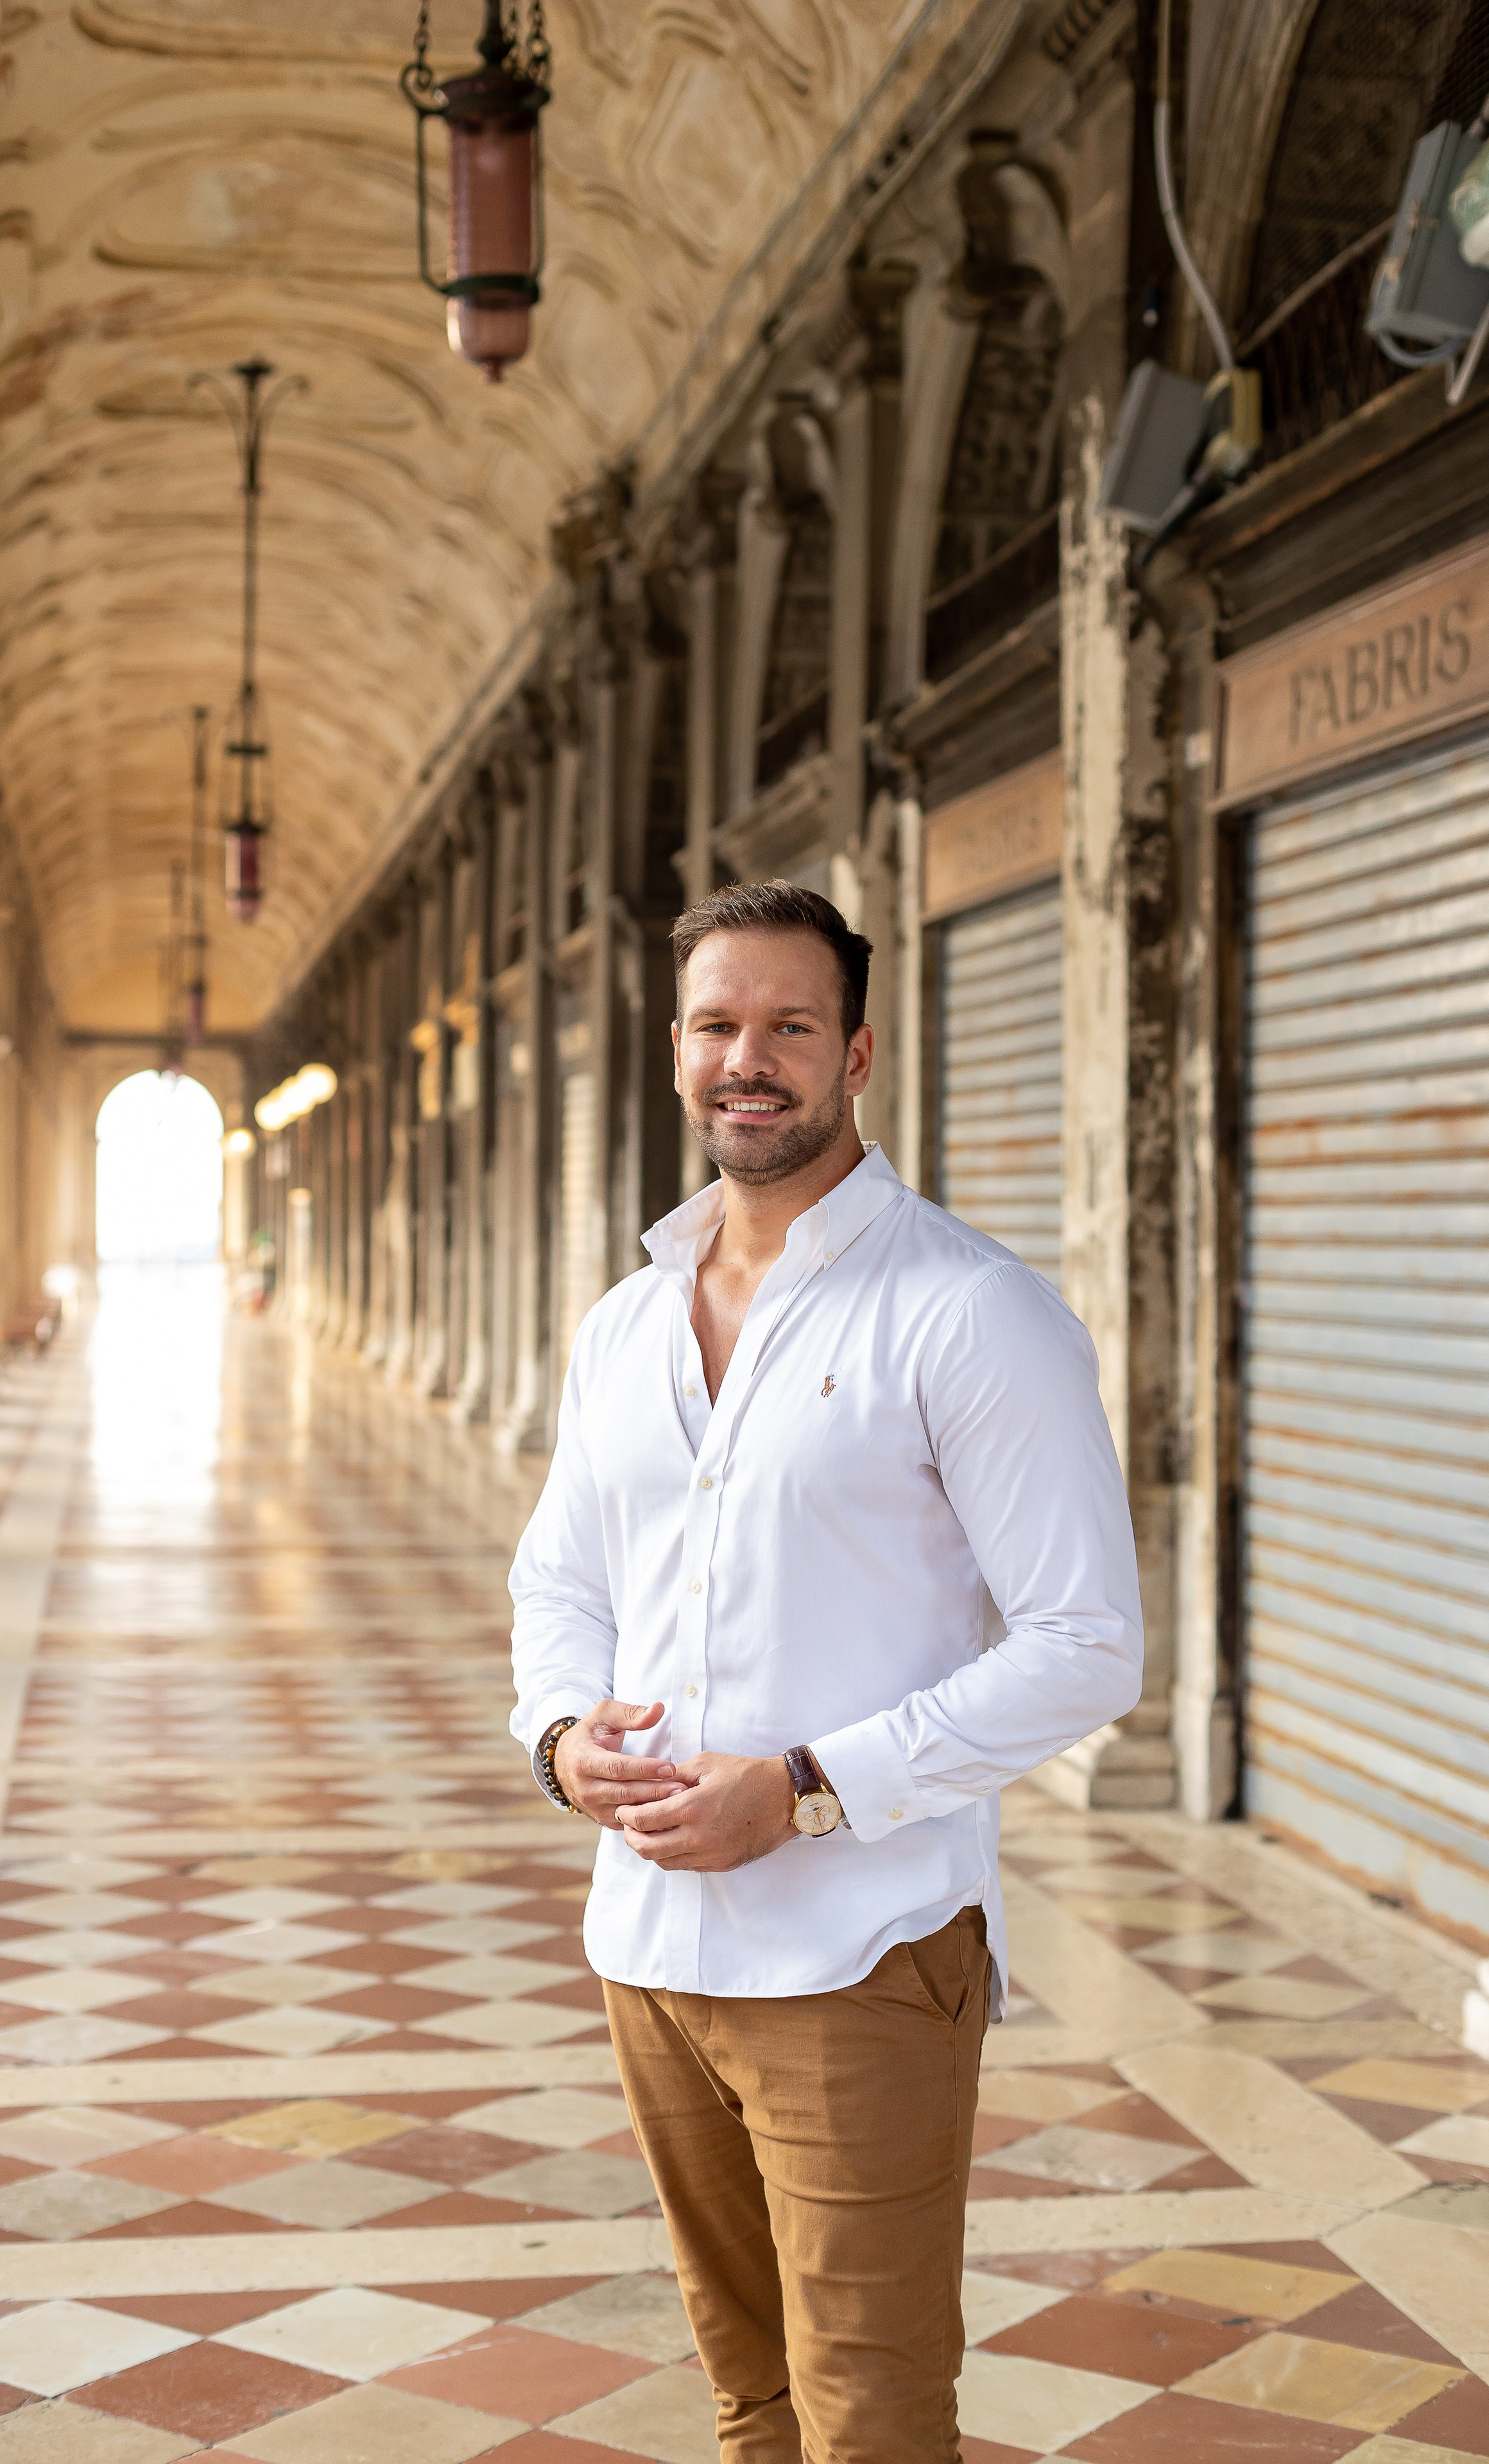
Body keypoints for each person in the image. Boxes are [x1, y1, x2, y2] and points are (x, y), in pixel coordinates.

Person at [508, 880, 1143, 2464]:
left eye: (790, 1026)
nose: (751, 1058)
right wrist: (555, 1737)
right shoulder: (624, 1325)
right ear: (675, 1053)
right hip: (648, 1948)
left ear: (854, 1054)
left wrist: (798, 1793)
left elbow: (1086, 1649)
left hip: (859, 1958)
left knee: (868, 2417)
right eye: (719, 1026)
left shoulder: (970, 1314)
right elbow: (561, 1578)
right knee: (749, 2399)